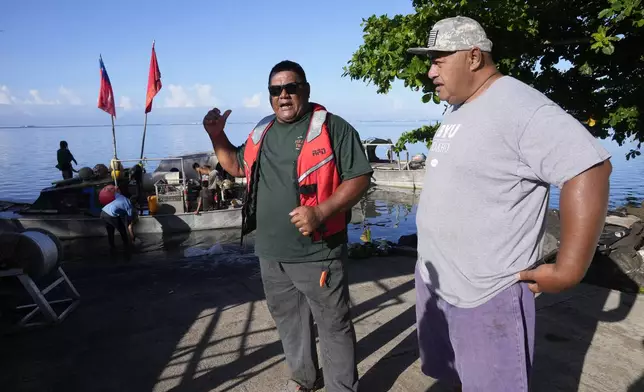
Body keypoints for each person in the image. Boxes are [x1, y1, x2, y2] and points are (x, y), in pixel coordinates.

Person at [406, 16, 612, 392]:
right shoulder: (462, 105)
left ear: (473, 57)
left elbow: (590, 169)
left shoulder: (520, 105)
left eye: (439, 59)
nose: (430, 70)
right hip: (441, 281)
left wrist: (569, 269)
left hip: (486, 295)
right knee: (454, 378)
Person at [202, 60, 373, 392]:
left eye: (291, 87)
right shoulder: (262, 130)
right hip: (271, 255)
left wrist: (321, 212)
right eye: (275, 90)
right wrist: (217, 134)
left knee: (334, 327)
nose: (283, 95)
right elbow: (237, 165)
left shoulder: (333, 128)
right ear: (269, 96)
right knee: (290, 327)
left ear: (305, 90)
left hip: (318, 252)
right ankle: (305, 381)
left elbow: (360, 177)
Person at [100, 190, 137, 256]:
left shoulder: (122, 197)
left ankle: (112, 248)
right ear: (135, 204)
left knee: (110, 232)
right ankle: (127, 247)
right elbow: (129, 226)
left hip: (103, 212)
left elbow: (115, 193)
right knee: (122, 230)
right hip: (111, 215)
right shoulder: (129, 207)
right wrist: (133, 238)